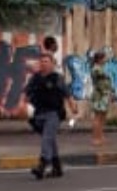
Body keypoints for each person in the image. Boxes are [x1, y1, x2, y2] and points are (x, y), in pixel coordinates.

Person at [19, 52, 75, 180]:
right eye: (42, 61)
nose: (43, 64)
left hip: (54, 113)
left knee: (46, 138)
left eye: (46, 61)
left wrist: (72, 106)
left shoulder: (57, 78)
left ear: (52, 64)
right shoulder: (35, 78)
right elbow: (26, 91)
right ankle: (57, 167)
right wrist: (22, 104)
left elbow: (67, 94)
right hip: (38, 114)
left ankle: (42, 166)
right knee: (50, 140)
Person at [90, 50, 113, 147]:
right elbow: (101, 81)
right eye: (104, 58)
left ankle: (100, 136)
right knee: (98, 117)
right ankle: (95, 138)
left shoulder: (101, 68)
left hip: (105, 95)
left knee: (103, 117)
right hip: (99, 95)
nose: (105, 60)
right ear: (99, 59)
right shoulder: (96, 69)